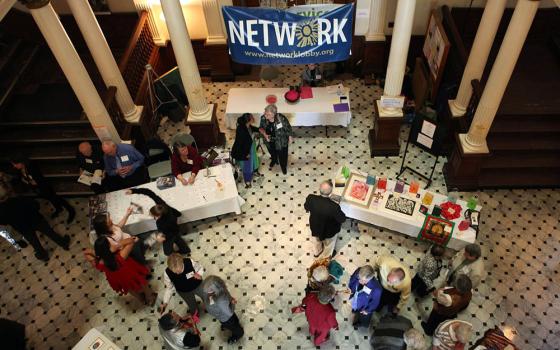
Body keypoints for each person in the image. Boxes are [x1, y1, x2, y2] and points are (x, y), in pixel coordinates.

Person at [84, 236, 155, 304]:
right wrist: (116, 246)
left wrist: (97, 254)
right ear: (109, 246)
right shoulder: (120, 256)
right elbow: (131, 241)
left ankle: (140, 299)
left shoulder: (99, 263)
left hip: (116, 279)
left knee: (129, 289)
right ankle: (149, 297)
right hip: (129, 273)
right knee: (143, 283)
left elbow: (86, 252)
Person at [0, 196, 70, 261]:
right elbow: (35, 204)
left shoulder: (1, 210)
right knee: (50, 233)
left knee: (35, 243)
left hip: (24, 228)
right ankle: (64, 243)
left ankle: (43, 256)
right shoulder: (18, 199)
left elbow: (3, 222)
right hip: (36, 220)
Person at [10, 154, 75, 223]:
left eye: (15, 164)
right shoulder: (19, 170)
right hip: (36, 188)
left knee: (55, 198)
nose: (14, 166)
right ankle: (59, 208)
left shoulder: (31, 166)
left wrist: (29, 181)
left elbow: (37, 180)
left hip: (43, 186)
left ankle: (70, 210)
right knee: (50, 198)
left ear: (21, 162)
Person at [126, 188, 190, 256]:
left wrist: (160, 237)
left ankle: (175, 255)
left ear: (158, 216)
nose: (151, 215)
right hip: (174, 227)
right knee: (178, 239)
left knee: (167, 252)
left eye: (152, 215)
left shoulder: (162, 223)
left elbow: (164, 234)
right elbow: (149, 192)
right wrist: (133, 191)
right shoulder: (161, 204)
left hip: (170, 234)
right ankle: (185, 250)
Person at [304, 180, 346, 258]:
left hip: (315, 227)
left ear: (319, 189)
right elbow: (342, 219)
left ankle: (317, 252)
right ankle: (327, 256)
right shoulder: (334, 207)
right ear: (330, 193)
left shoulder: (311, 198)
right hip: (329, 232)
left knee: (317, 241)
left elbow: (306, 207)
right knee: (329, 244)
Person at [200, 275, 244, 344]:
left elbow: (228, 312)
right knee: (234, 325)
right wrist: (232, 302)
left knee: (231, 323)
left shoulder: (211, 294)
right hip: (224, 317)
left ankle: (233, 330)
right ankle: (235, 331)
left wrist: (231, 300)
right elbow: (229, 312)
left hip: (223, 317)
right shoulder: (218, 297)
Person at [259, 104, 294, 174]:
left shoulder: (281, 118)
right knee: (272, 153)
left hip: (281, 141)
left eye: (268, 114)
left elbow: (288, 128)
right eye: (265, 113)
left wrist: (290, 137)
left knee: (283, 156)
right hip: (269, 141)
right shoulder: (263, 118)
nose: (265, 115)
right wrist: (265, 135)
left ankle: (283, 167)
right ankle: (274, 160)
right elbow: (261, 128)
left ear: (273, 114)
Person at [231, 113, 261, 188]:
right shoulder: (241, 131)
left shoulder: (246, 125)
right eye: (252, 118)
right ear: (248, 121)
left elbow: (252, 128)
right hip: (245, 150)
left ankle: (255, 171)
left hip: (251, 147)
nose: (253, 118)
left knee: (254, 160)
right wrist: (245, 154)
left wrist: (259, 129)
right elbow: (239, 145)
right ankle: (247, 181)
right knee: (247, 166)